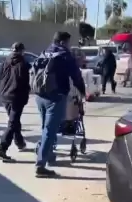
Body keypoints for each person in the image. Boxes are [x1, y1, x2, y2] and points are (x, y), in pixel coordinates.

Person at [32, 31, 85, 177]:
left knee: (46, 128)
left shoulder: (44, 53)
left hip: (40, 96)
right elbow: (77, 76)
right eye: (68, 42)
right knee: (50, 130)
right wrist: (82, 92)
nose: (68, 45)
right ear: (62, 42)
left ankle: (48, 156)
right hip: (56, 97)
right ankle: (40, 166)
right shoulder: (65, 55)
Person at [0, 42, 31, 162]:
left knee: (14, 121)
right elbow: (25, 84)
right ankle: (1, 149)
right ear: (22, 51)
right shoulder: (24, 64)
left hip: (5, 97)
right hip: (16, 97)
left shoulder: (3, 63)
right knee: (12, 123)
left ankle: (19, 142)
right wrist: (26, 97)